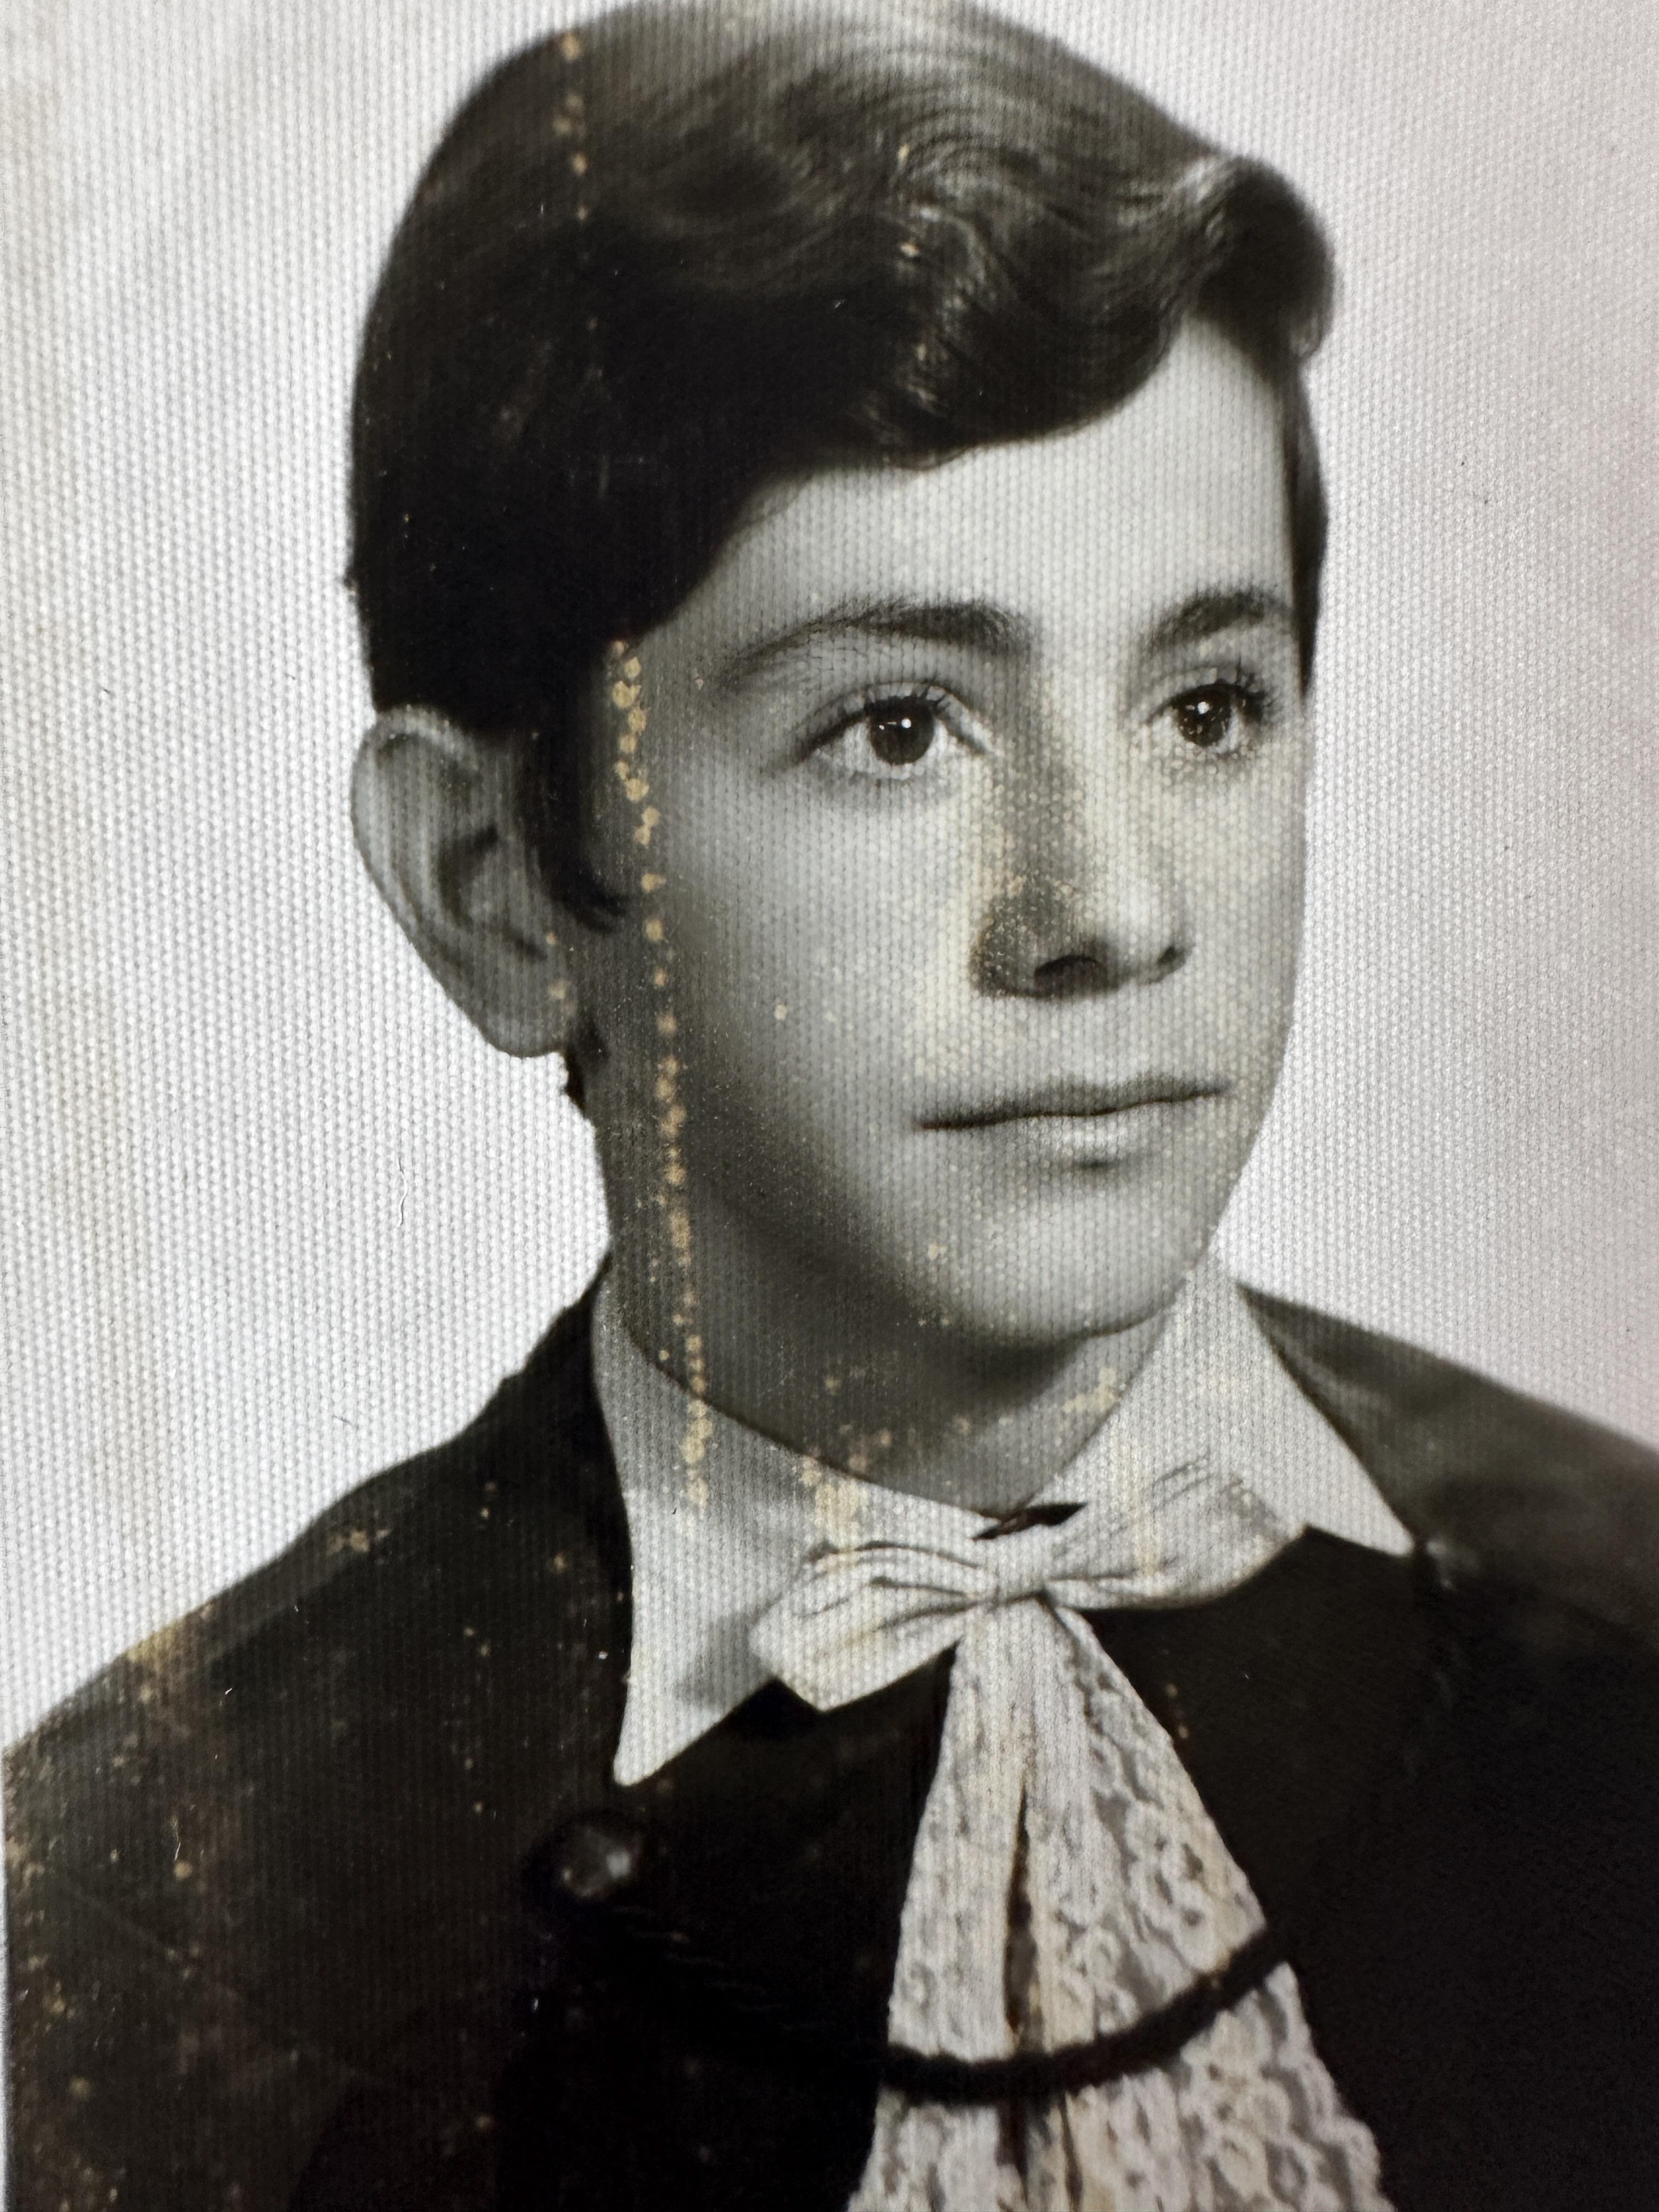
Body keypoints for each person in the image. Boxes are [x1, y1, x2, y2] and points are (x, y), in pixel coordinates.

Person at [8, 4, 1659, 2206]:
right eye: (897, 728)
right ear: (497, 886)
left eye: (1205, 706)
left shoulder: (1624, 1650)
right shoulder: (137, 1918)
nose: (1111, 911)